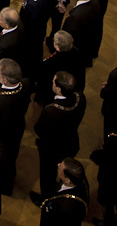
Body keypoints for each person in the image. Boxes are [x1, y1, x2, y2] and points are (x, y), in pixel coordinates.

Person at [31, 71, 86, 202]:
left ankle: (45, 199)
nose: (51, 82)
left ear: (59, 89)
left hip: (51, 148)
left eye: (53, 81)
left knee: (47, 175)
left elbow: (39, 129)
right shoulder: (80, 97)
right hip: (70, 142)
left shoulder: (51, 110)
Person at [0, 58, 30, 195]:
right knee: (12, 155)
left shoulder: (0, 100)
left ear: (6, 80)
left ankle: (5, 186)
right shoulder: (25, 84)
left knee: (5, 159)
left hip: (3, 133)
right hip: (17, 126)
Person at [39, 158, 89, 226]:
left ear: (67, 180)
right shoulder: (77, 179)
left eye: (60, 167)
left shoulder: (65, 208)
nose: (58, 165)